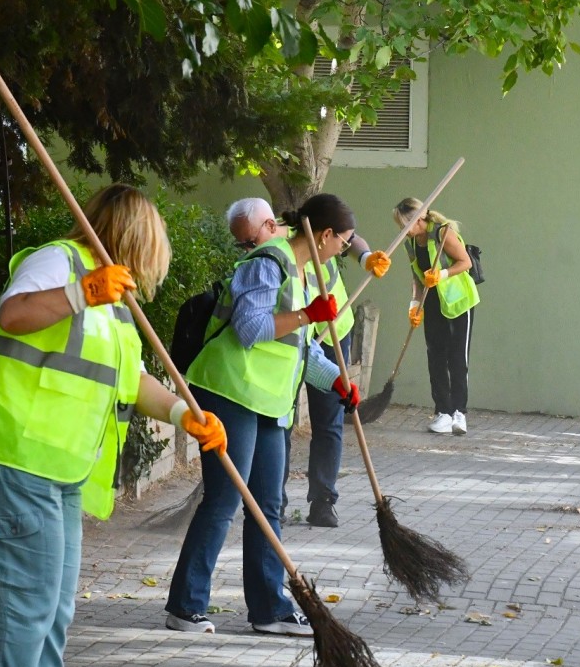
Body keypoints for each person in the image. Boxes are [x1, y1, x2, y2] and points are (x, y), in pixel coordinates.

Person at [0, 184, 229, 667]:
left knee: (55, 603)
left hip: (57, 467)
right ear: (132, 234)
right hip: (13, 454)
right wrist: (80, 292)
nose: (160, 254)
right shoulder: (61, 263)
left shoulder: (115, 303)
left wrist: (186, 414)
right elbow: (13, 315)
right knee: (29, 601)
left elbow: (132, 381)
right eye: (156, 240)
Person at [165, 194, 358, 635]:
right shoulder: (267, 262)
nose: (343, 251)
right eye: (344, 243)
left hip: (269, 402)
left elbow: (302, 351)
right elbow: (250, 329)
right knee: (225, 498)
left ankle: (269, 610)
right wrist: (306, 314)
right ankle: (185, 605)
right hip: (229, 392)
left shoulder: (306, 273)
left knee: (268, 504)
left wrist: (337, 383)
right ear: (325, 235)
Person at [287, 214, 391, 529]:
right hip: (294, 335)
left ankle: (323, 502)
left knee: (329, 420)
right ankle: (272, 501)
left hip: (334, 332)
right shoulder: (283, 245)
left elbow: (352, 238)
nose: (342, 245)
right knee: (282, 421)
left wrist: (366, 257)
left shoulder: (328, 231)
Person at [395, 197, 479, 435]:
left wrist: (442, 273)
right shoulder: (410, 243)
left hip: (458, 302)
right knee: (435, 356)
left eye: (404, 223)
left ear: (418, 218)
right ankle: (442, 411)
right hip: (431, 302)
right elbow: (416, 276)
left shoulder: (443, 234)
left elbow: (466, 262)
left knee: (457, 358)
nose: (402, 229)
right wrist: (414, 304)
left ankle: (459, 414)